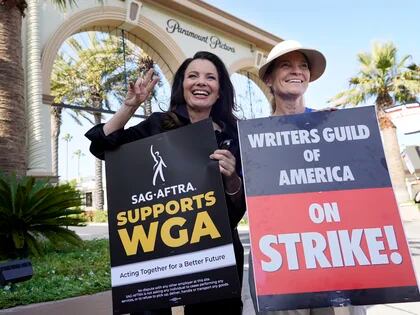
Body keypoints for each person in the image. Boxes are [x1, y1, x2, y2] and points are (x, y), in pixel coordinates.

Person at [85, 51, 245, 315]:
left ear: (220, 91)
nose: (201, 82)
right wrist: (130, 105)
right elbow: (102, 147)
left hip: (217, 255)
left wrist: (232, 178)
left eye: (210, 77)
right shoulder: (157, 125)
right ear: (183, 86)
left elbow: (238, 211)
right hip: (156, 250)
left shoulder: (233, 137)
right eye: (193, 76)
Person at [248, 40, 366, 315]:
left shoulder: (332, 126)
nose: (296, 71)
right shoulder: (254, 137)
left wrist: (338, 138)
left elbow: (358, 184)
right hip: (278, 256)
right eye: (286, 65)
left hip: (333, 252)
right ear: (269, 78)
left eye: (303, 66)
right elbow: (248, 197)